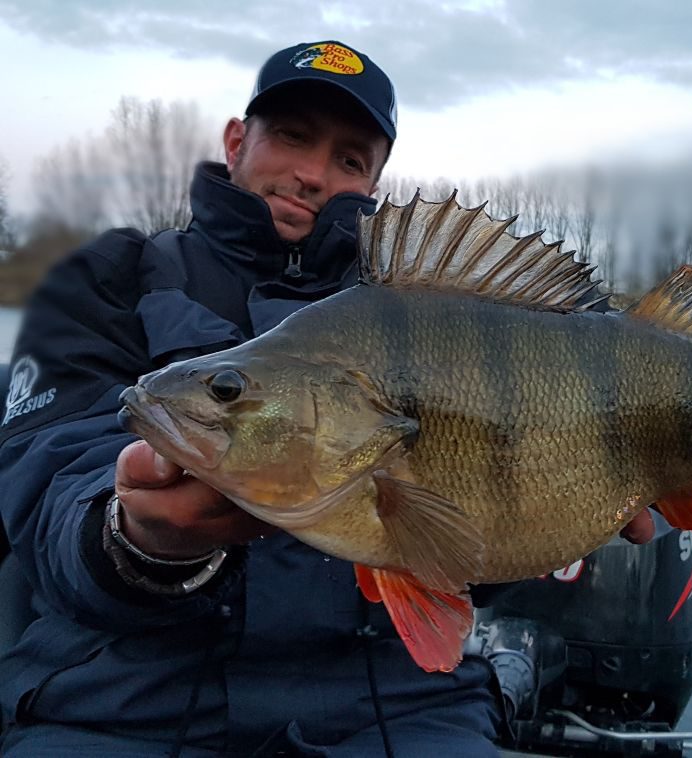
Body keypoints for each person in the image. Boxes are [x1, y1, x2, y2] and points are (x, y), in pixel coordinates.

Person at [0, 40, 654, 757]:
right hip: (122, 704)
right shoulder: (105, 282)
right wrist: (135, 538)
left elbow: (467, 554)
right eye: (292, 135)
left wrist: (558, 505)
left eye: (350, 158)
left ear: (374, 180)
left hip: (403, 708)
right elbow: (44, 484)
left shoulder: (431, 311)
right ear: (236, 140)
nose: (311, 173)